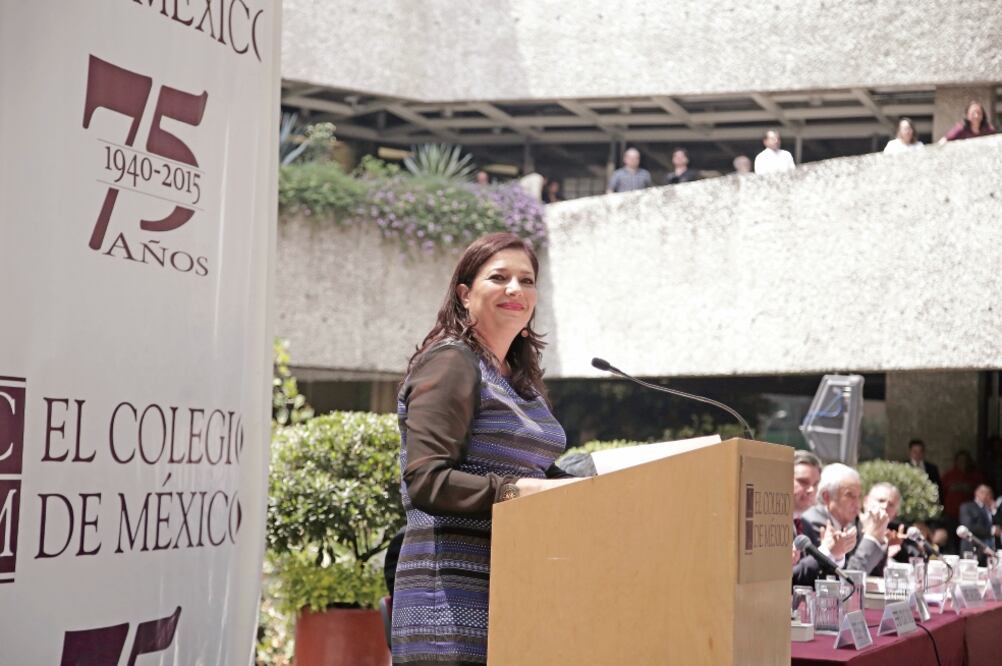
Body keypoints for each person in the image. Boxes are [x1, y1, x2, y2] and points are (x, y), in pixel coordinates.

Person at [391, 232, 579, 665]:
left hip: (515, 593)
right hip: (449, 607)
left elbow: (538, 471)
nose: (516, 289)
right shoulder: (451, 362)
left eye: (527, 280)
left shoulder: (519, 380)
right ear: (464, 294)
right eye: (499, 277)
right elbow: (426, 481)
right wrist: (515, 491)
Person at [802, 463, 887, 575]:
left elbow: (875, 573)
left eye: (859, 496)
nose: (857, 504)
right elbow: (847, 576)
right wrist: (872, 538)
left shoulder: (853, 524)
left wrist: (877, 535)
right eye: (850, 495)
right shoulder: (815, 523)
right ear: (827, 497)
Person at [958, 484, 1001, 565]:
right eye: (983, 492)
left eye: (989, 493)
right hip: (974, 550)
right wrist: (991, 530)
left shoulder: (991, 508)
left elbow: (999, 525)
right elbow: (968, 527)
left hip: (991, 552)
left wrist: (994, 510)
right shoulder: (967, 507)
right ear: (976, 493)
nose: (986, 495)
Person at [940, 450, 984, 522]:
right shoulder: (949, 475)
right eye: (960, 460)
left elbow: (981, 492)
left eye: (965, 460)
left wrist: (969, 488)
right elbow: (941, 490)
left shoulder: (976, 475)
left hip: (970, 513)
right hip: (951, 513)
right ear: (956, 461)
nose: (963, 462)